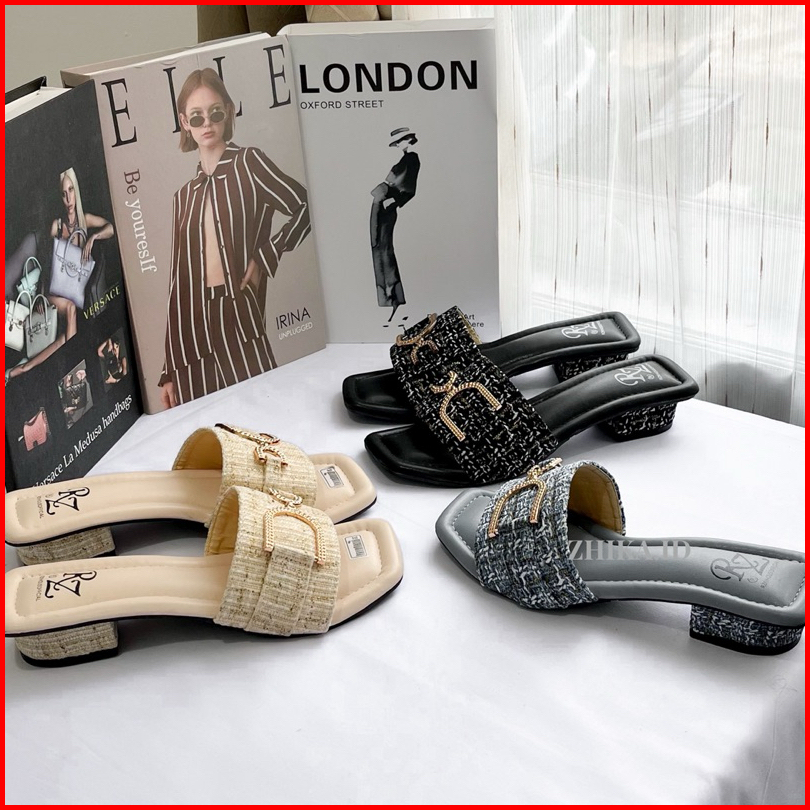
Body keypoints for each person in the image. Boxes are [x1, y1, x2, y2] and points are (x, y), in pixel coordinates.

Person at [159, 68, 311, 408]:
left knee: (261, 410)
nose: (207, 124)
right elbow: (176, 283)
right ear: (184, 123)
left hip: (237, 311)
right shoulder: (183, 197)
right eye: (196, 117)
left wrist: (265, 256)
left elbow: (305, 206)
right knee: (203, 426)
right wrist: (168, 369)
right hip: (190, 330)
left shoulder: (249, 163)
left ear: (228, 111)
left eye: (215, 113)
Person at [6, 169, 115, 380]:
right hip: (54, 294)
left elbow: (110, 228)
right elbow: (47, 265)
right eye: (64, 193)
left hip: (73, 293)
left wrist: (93, 238)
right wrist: (41, 297)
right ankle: (70, 366)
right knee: (71, 309)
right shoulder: (56, 226)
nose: (68, 198)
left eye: (71, 190)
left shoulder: (84, 220)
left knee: (66, 336)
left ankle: (23, 368)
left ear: (76, 192)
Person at [370, 127, 421, 323]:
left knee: (384, 248)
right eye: (397, 142)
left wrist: (395, 201)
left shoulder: (412, 159)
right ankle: (386, 299)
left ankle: (393, 298)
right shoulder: (404, 159)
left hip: (387, 204)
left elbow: (409, 188)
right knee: (377, 246)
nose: (399, 144)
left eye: (401, 141)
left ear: (409, 140)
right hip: (380, 202)